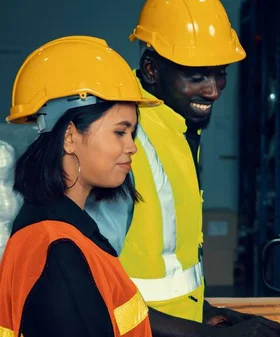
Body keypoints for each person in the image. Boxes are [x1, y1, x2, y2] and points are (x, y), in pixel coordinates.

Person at [84, 0, 280, 336]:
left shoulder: (177, 129)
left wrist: (211, 314)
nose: (214, 90)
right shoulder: (122, 140)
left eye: (220, 73)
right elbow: (98, 296)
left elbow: (168, 270)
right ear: (151, 69)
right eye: (197, 77)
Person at [0, 35, 161, 336]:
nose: (132, 147)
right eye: (119, 132)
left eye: (133, 133)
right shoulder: (59, 252)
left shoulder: (61, 231)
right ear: (70, 137)